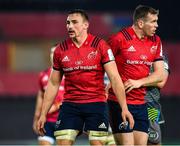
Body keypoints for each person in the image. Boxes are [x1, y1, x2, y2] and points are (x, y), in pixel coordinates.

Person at [37, 9, 134, 146]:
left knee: (97, 143)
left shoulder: (101, 46)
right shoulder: (61, 49)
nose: (70, 26)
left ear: (85, 25)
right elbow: (53, 84)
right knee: (63, 142)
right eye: (68, 23)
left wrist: (124, 108)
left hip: (96, 104)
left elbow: (115, 78)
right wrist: (43, 114)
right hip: (70, 105)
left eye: (74, 22)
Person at [107, 5, 165, 145]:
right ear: (140, 23)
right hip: (119, 103)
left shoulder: (156, 41)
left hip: (143, 105)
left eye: (157, 21)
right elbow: (101, 64)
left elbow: (160, 76)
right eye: (153, 21)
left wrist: (139, 82)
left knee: (154, 142)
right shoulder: (119, 39)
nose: (156, 25)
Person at [33, 47, 65, 145]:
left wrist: (56, 106)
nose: (54, 54)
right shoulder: (43, 75)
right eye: (52, 52)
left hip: (63, 120)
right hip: (47, 120)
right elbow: (41, 96)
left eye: (56, 52)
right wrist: (36, 117)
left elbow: (74, 95)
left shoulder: (69, 74)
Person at [146, 55, 170, 145]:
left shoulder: (161, 57)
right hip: (131, 104)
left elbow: (161, 82)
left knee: (154, 141)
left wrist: (137, 80)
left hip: (151, 107)